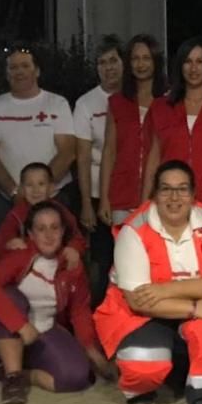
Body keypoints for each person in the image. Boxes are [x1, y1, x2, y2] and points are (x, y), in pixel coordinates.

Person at [93, 160, 202, 404]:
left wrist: (165, 289)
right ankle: (142, 388)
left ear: (193, 196)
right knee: (143, 365)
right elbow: (138, 300)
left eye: (182, 189)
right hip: (144, 314)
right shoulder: (133, 230)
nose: (174, 197)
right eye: (165, 189)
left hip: (184, 303)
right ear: (154, 195)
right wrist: (194, 308)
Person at [0, 201, 113, 404]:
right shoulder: (20, 255)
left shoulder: (72, 265)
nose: (49, 235)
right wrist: (20, 325)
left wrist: (90, 349)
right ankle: (13, 379)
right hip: (4, 331)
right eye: (41, 229)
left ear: (63, 231)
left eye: (54, 228)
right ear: (30, 234)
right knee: (12, 296)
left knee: (75, 378)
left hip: (44, 329)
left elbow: (79, 311)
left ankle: (25, 374)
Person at [0, 45, 76, 229]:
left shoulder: (57, 104)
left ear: (37, 71)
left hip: (53, 198)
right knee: (7, 255)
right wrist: (15, 193)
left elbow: (67, 151)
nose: (19, 72)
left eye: (25, 66)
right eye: (13, 67)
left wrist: (41, 190)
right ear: (7, 73)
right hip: (8, 201)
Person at [143, 37, 202, 211]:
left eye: (200, 61)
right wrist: (145, 203)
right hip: (171, 201)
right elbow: (153, 159)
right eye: (187, 61)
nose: (193, 68)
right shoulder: (162, 106)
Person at [73, 36, 124, 304]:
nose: (108, 68)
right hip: (95, 192)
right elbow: (81, 156)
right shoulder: (85, 104)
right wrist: (86, 204)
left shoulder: (135, 97)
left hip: (129, 191)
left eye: (113, 60)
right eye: (102, 63)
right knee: (102, 261)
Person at [99, 35, 167, 226]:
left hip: (160, 197)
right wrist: (104, 198)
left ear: (156, 61)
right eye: (135, 58)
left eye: (146, 58)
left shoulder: (169, 101)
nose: (141, 64)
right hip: (122, 195)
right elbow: (109, 151)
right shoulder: (117, 102)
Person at [0, 162, 87, 265]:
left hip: (58, 265)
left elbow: (77, 238)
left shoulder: (61, 212)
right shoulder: (16, 215)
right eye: (29, 185)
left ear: (51, 188)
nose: (35, 190)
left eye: (41, 184)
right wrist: (9, 246)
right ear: (22, 189)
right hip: (26, 268)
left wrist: (73, 248)